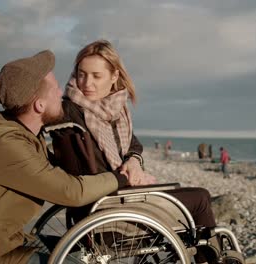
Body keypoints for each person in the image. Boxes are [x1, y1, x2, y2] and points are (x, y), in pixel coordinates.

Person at [0, 50, 128, 264]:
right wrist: (120, 178)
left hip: (4, 243)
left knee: (82, 254)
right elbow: (69, 191)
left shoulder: (24, 133)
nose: (62, 92)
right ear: (39, 105)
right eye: (55, 89)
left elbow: (60, 172)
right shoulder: (4, 143)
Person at [50, 39, 220, 263]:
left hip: (111, 202)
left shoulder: (115, 111)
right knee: (200, 198)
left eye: (95, 75)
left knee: (195, 197)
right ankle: (212, 258)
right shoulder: (72, 112)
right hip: (109, 210)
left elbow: (134, 145)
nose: (86, 83)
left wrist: (133, 162)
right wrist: (128, 175)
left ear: (114, 77)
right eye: (81, 74)